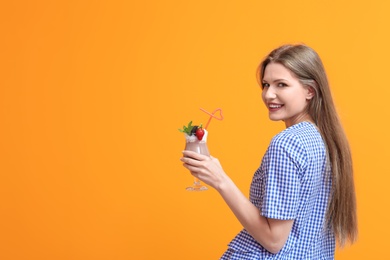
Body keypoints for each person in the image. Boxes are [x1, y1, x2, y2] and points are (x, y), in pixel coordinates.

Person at [180, 44, 358, 259]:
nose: (268, 94)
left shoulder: (286, 143)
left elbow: (274, 240)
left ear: (310, 90)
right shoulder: (326, 139)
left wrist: (220, 180)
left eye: (281, 85)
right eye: (266, 84)